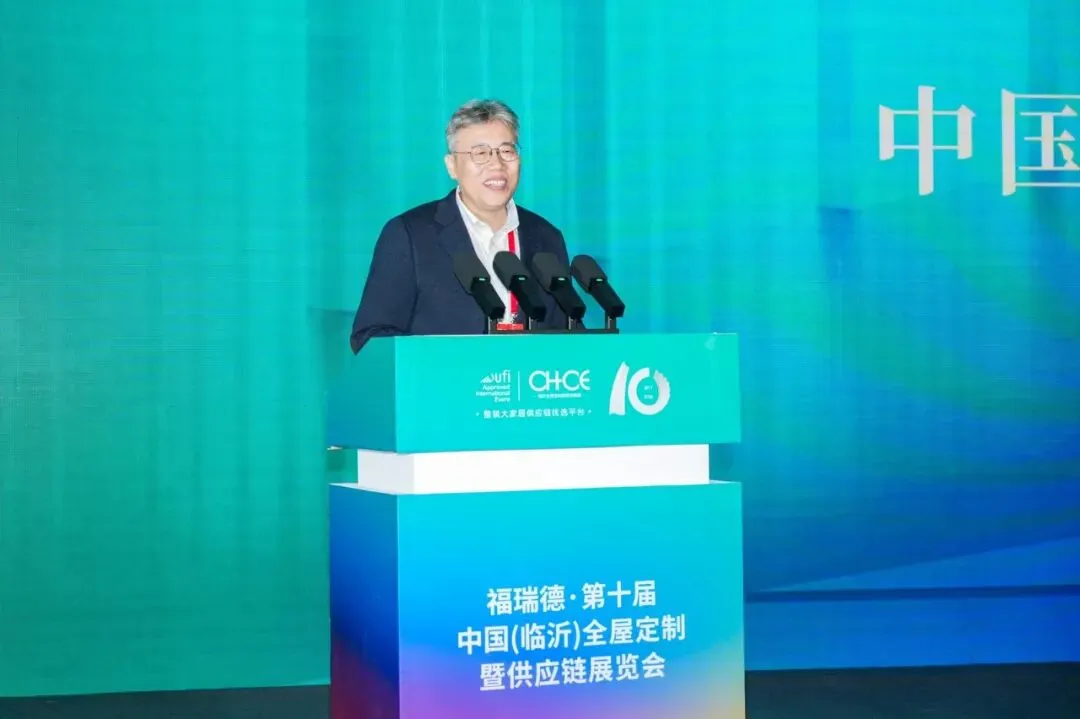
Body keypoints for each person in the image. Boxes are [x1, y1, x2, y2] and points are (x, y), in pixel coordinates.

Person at [349, 99, 576, 354]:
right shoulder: (410, 234)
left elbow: (570, 336)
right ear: (452, 166)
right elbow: (371, 337)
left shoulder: (546, 237)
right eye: (480, 153)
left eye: (507, 151)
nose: (497, 164)